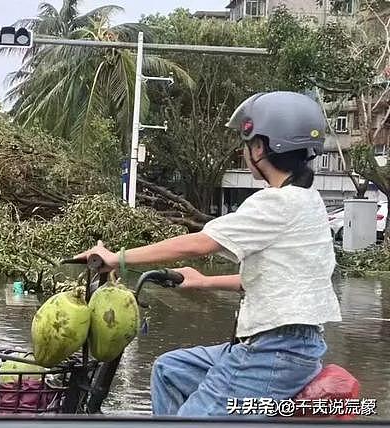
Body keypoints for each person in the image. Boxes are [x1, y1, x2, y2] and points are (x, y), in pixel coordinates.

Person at [74, 91, 342, 417]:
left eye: (247, 145)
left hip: (274, 351)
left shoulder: (277, 202)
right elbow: (274, 279)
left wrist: (118, 257)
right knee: (170, 370)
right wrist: (203, 281)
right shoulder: (308, 201)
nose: (245, 153)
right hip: (289, 345)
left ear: (260, 148)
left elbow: (200, 243)